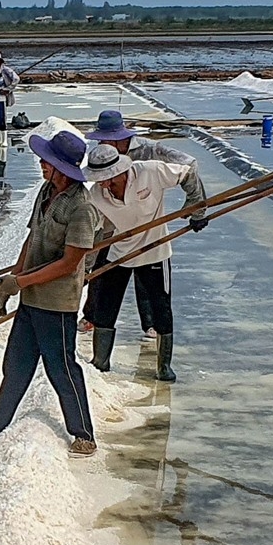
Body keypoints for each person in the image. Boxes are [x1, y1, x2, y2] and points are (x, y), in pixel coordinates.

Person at [0, 118, 99, 457]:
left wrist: (20, 281)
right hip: (31, 298)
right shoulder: (46, 192)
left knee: (61, 369)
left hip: (58, 304)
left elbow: (69, 264)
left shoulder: (82, 208)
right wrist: (10, 284)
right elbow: (31, 238)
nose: (41, 164)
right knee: (16, 364)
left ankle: (83, 434)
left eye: (46, 161)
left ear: (61, 168)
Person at [78, 142, 208, 382]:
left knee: (161, 310)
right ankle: (100, 361)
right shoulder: (96, 194)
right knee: (105, 308)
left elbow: (188, 171)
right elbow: (97, 233)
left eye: (108, 179)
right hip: (119, 252)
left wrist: (197, 207)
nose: (104, 184)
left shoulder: (150, 171)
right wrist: (85, 269)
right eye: (99, 179)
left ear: (120, 171)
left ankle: (164, 366)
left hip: (155, 250)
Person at [82, 109, 200, 341]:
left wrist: (196, 206)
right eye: (100, 140)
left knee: (151, 289)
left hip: (150, 230)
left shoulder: (149, 155)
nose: (102, 144)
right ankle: (92, 319)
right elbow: (94, 223)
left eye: (106, 140)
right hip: (116, 228)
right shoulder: (100, 169)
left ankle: (152, 326)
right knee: (100, 277)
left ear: (120, 138)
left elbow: (189, 167)